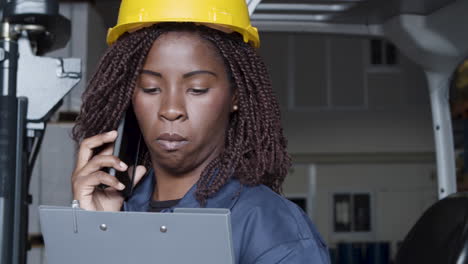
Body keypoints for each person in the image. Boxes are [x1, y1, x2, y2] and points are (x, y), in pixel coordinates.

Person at [71, 0, 330, 263]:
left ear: (235, 96)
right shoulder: (116, 211)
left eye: (197, 89)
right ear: (129, 98)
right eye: (150, 88)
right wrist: (98, 232)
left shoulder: (274, 231)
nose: (171, 109)